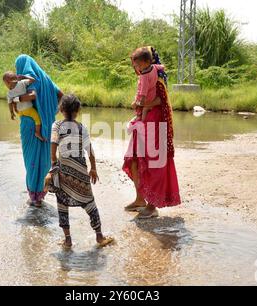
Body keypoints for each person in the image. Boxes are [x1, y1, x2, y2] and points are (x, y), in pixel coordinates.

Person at [46, 95, 114, 249]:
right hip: (81, 170)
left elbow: (53, 144)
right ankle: (99, 236)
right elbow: (89, 149)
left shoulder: (56, 125)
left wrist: (53, 164)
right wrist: (94, 168)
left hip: (63, 168)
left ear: (61, 110)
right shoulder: (81, 127)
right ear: (77, 111)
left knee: (62, 204)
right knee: (89, 202)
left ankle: (68, 239)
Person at [123, 47, 182, 219]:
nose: (136, 68)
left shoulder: (157, 76)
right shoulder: (145, 75)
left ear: (148, 62)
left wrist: (143, 106)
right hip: (142, 121)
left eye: (138, 64)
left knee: (153, 163)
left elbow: (160, 100)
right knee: (134, 158)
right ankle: (140, 199)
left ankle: (152, 205)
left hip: (155, 122)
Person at [14, 54, 63, 207]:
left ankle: (34, 197)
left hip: (30, 125)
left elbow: (33, 95)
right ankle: (40, 195)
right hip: (47, 125)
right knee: (43, 160)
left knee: (31, 160)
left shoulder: (30, 78)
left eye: (18, 67)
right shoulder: (46, 78)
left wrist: (15, 98)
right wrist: (51, 113)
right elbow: (61, 95)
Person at [3, 71, 45, 142]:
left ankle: (26, 133)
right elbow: (33, 80)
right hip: (28, 109)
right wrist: (25, 77)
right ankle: (37, 132)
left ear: (8, 82)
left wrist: (12, 113)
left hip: (20, 112)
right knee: (37, 119)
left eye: (5, 84)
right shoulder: (22, 83)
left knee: (24, 122)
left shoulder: (9, 93)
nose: (6, 85)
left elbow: (10, 104)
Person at [130, 47, 165, 123]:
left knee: (138, 107)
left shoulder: (144, 76)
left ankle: (141, 120)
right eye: (137, 66)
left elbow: (143, 89)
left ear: (147, 62)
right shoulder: (154, 67)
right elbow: (161, 67)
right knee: (144, 108)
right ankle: (140, 117)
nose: (139, 68)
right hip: (152, 94)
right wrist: (163, 67)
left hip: (145, 97)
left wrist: (140, 101)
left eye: (139, 66)